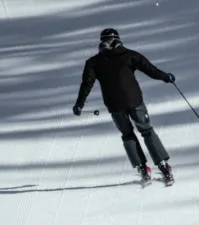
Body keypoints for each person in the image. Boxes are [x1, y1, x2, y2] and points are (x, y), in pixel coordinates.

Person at [73, 27, 176, 185]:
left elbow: (86, 84)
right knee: (146, 130)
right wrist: (166, 77)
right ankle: (163, 166)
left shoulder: (94, 62)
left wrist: (79, 104)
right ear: (118, 40)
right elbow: (150, 70)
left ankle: (142, 169)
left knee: (127, 135)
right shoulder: (129, 55)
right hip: (134, 101)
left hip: (115, 105)